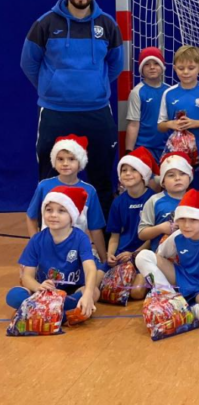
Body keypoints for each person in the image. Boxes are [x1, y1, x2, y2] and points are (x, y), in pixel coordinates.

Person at [21, 0, 123, 218]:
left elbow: (115, 64)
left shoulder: (107, 24)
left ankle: (104, 236)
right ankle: (48, 232)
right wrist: (52, 88)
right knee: (49, 176)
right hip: (55, 111)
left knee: (102, 177)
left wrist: (94, 87)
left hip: (96, 110)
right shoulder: (45, 23)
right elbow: (28, 63)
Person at [135, 189, 199, 325]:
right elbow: (158, 257)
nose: (186, 225)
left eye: (193, 220)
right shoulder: (177, 236)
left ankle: (180, 310)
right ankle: (169, 300)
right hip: (182, 278)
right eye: (182, 219)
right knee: (143, 256)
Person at [6, 185, 98, 322]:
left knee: (94, 292)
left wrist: (88, 295)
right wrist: (38, 286)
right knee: (13, 295)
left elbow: (90, 268)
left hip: (72, 292)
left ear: (72, 215)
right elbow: (27, 276)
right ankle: (61, 315)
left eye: (61, 211)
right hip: (44, 292)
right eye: (49, 210)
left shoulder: (81, 238)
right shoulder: (37, 240)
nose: (53, 215)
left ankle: (36, 312)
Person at [25, 135, 106, 263]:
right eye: (60, 159)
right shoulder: (44, 186)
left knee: (95, 270)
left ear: (80, 161)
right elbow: (31, 217)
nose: (65, 163)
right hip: (48, 250)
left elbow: (95, 228)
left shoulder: (89, 191)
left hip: (76, 251)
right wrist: (35, 244)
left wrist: (104, 259)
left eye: (71, 159)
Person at [157, 45, 199, 194]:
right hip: (177, 152)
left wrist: (197, 123)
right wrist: (172, 124)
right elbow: (160, 125)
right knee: (179, 190)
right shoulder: (169, 93)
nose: (185, 72)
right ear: (174, 68)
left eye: (191, 68)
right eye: (181, 68)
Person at [105, 148, 157, 300]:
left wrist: (134, 254)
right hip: (122, 255)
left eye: (133, 169)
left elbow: (153, 236)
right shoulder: (118, 202)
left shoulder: (153, 199)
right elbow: (114, 236)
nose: (128, 173)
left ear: (143, 174)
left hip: (143, 254)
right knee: (97, 280)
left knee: (136, 292)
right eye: (124, 170)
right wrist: (110, 254)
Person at [137, 152, 194, 252]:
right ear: (163, 181)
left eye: (183, 173)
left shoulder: (196, 199)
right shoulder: (154, 201)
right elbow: (142, 234)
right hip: (161, 256)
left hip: (192, 255)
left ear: (189, 177)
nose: (177, 178)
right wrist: (161, 228)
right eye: (171, 175)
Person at [125, 47, 169, 162]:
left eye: (156, 63)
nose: (152, 67)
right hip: (144, 148)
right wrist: (129, 151)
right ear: (141, 69)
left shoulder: (170, 91)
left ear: (162, 67)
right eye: (147, 64)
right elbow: (133, 124)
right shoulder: (137, 92)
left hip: (167, 148)